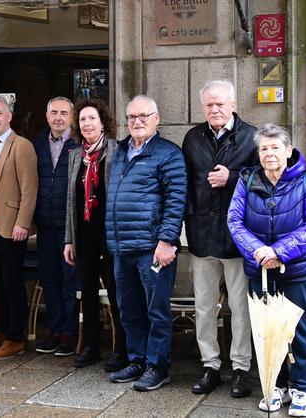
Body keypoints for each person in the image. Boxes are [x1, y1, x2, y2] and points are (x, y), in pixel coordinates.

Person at [227, 124, 306, 417]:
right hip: (260, 268)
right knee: (267, 330)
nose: (269, 154)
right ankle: (276, 384)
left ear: (288, 150)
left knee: (298, 331)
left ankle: (303, 389)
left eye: (275, 148)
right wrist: (260, 252)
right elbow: (235, 221)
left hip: (298, 270)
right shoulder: (247, 181)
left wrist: (278, 251)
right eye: (264, 149)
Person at [182, 79, 258, 397]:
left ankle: (240, 368)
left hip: (237, 237)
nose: (215, 109)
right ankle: (210, 365)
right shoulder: (193, 138)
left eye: (220, 104)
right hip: (202, 235)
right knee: (203, 306)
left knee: (240, 308)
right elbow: (184, 186)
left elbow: (267, 178)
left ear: (232, 105)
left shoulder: (252, 137)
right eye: (209, 104)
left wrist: (233, 178)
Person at [105, 95, 187, 391]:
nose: (137, 122)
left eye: (143, 116)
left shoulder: (168, 154)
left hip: (152, 249)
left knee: (156, 310)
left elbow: (176, 201)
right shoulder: (120, 151)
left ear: (157, 119)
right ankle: (137, 359)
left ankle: (158, 366)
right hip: (121, 247)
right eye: (131, 117)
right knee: (129, 309)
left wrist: (166, 240)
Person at [64, 98, 127, 371]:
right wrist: (69, 239)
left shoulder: (117, 152)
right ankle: (90, 346)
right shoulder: (74, 155)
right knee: (87, 291)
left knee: (115, 291)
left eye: (92, 118)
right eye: (82, 120)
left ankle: (121, 348)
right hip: (84, 234)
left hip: (110, 233)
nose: (87, 124)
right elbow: (71, 201)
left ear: (103, 122)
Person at [0, 97, 38, 361]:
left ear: (9, 116)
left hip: (11, 227)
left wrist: (23, 223)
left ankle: (16, 338)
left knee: (12, 284)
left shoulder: (21, 146)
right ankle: (2, 331)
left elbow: (29, 188)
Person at [32, 97, 80, 356]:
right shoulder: (36, 144)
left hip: (70, 227)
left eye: (64, 113)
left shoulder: (80, 143)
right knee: (50, 279)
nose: (58, 117)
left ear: (71, 116)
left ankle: (70, 334)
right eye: (54, 112)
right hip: (45, 225)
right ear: (47, 115)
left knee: (69, 281)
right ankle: (55, 330)